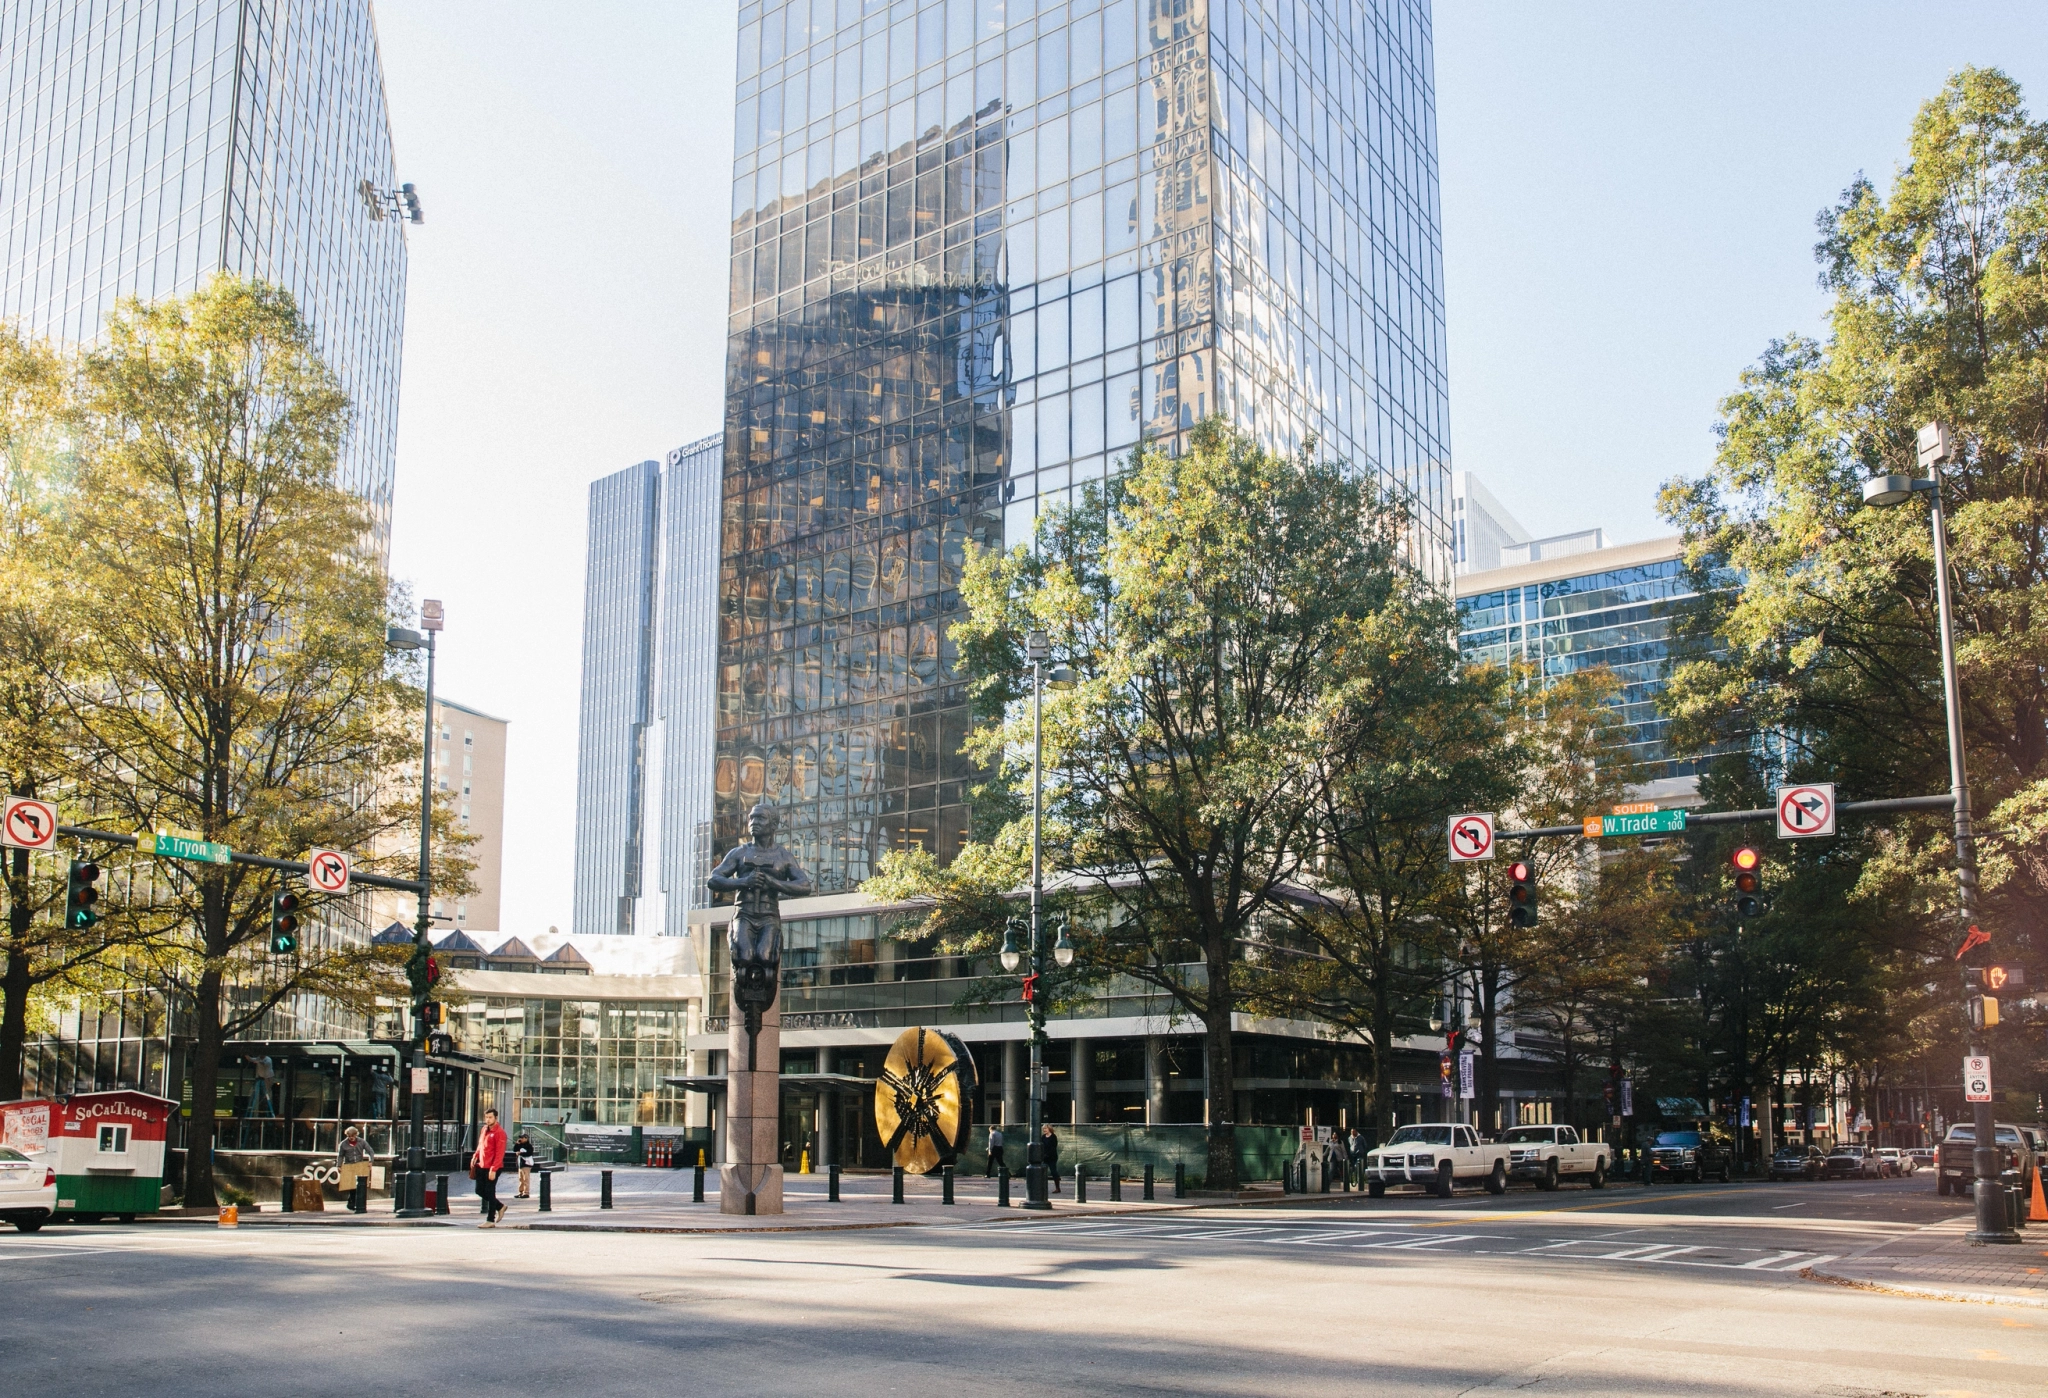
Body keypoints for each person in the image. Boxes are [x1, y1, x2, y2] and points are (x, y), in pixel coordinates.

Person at [473, 1108, 508, 1226]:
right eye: (486, 1117)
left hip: (493, 1166)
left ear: (496, 1118)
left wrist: (494, 1169)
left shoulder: (500, 1132)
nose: (488, 1120)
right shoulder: (484, 1129)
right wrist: (475, 1156)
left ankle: (490, 1220)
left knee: (490, 1191)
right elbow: (480, 1145)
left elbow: (500, 1153)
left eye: (490, 1117)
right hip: (481, 1165)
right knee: (479, 1190)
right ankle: (500, 1206)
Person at [337, 1125, 371, 1212]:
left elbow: (370, 1150)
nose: (351, 1138)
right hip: (349, 1165)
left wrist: (371, 1161)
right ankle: (352, 1203)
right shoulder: (343, 1144)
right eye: (349, 1136)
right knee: (351, 1185)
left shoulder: (361, 1142)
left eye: (353, 1136)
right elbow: (340, 1155)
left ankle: (353, 1203)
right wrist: (339, 1165)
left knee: (359, 1185)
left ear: (356, 1135)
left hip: (359, 1164)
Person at [513, 1132, 536, 1199]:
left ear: (526, 1138)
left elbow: (529, 1153)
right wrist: (517, 1144)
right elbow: (514, 1150)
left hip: (526, 1164)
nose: (521, 1139)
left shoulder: (529, 1146)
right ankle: (521, 1192)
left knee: (526, 1179)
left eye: (522, 1138)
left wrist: (521, 1153)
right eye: (520, 1138)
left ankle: (526, 1192)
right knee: (521, 1179)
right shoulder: (520, 1144)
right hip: (520, 1164)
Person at [1040, 1124, 1061, 1194]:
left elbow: (1053, 1147)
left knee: (1053, 1171)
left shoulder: (1053, 1137)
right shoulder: (1043, 1137)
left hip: (1052, 1157)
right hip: (1044, 1158)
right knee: (1042, 1173)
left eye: (1045, 1128)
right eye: (1043, 1129)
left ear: (1049, 1129)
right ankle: (1042, 1188)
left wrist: (1047, 1154)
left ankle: (1057, 1187)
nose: (1044, 1130)